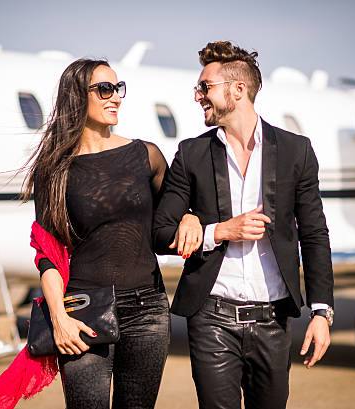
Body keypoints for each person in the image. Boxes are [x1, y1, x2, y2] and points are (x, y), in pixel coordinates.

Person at [153, 41, 335, 409]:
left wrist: (321, 311)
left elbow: (314, 234)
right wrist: (219, 231)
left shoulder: (296, 151)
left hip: (274, 320)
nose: (197, 96)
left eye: (205, 87)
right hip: (211, 318)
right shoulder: (191, 154)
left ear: (237, 90)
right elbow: (160, 231)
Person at [19, 58, 200, 408]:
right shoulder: (54, 168)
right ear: (77, 96)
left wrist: (190, 218)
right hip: (82, 312)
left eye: (118, 88)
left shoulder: (146, 156)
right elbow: (48, 255)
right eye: (104, 89)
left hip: (148, 310)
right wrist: (59, 319)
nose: (115, 96)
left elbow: (170, 219)